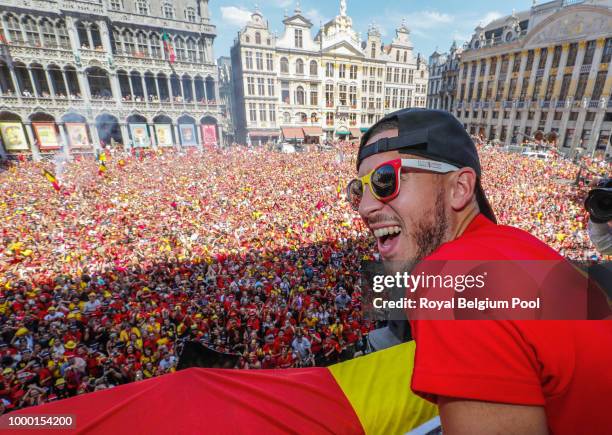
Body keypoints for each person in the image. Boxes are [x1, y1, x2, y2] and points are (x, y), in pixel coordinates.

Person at [351, 108, 612, 434]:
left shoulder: (453, 282)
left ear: (459, 188)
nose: (364, 207)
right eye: (357, 190)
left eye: (385, 180)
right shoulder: (518, 244)